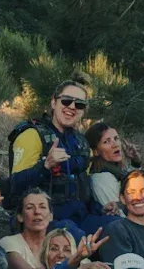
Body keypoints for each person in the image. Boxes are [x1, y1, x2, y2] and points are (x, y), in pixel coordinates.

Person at [7, 82, 94, 219]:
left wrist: (102, 208)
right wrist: (45, 166)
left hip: (80, 216)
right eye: (66, 100)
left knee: (115, 226)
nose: (72, 107)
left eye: (79, 104)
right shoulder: (32, 135)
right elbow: (15, 187)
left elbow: (84, 189)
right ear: (53, 103)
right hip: (43, 221)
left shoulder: (82, 143)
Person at [0, 189, 55, 269]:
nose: (37, 212)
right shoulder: (9, 242)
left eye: (42, 207)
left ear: (50, 216)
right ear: (20, 217)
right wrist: (67, 266)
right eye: (29, 207)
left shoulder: (58, 244)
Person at [85, 121, 138, 213]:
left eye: (116, 138)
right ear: (95, 151)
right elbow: (120, 217)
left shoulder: (118, 171)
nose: (115, 144)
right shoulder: (102, 179)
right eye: (107, 141)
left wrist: (135, 163)